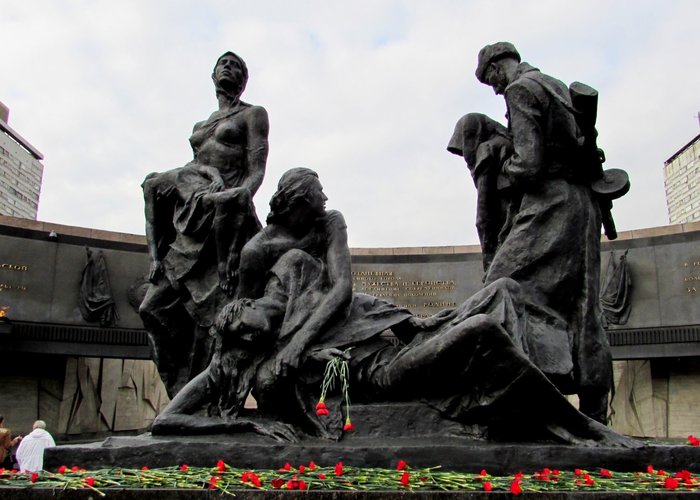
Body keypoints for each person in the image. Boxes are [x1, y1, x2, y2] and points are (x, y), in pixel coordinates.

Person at [474, 42, 611, 423]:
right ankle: (595, 408)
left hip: (550, 202)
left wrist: (503, 172)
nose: (496, 89)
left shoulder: (521, 89)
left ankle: (514, 403)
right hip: (582, 203)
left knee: (498, 289)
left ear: (500, 66)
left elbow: (530, 164)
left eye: (491, 80)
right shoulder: (556, 84)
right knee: (583, 305)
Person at [139, 51, 269, 397]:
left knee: (210, 320)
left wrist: (238, 200)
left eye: (237, 66)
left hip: (224, 219)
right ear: (213, 75)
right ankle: (177, 395)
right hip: (192, 218)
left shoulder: (253, 114)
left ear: (243, 80)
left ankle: (202, 400)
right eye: (223, 63)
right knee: (152, 308)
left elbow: (256, 170)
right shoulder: (204, 123)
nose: (229, 68)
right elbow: (194, 166)